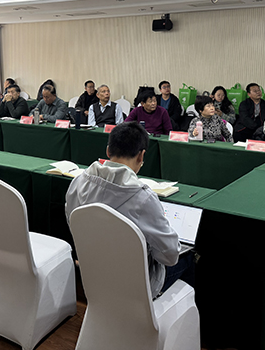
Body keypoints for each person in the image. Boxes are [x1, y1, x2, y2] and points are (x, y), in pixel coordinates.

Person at [65, 122, 189, 299]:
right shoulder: (143, 198)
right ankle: (165, 311)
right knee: (189, 258)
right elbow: (170, 256)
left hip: (92, 273)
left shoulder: (78, 182)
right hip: (136, 285)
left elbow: (73, 222)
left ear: (108, 151)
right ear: (141, 155)